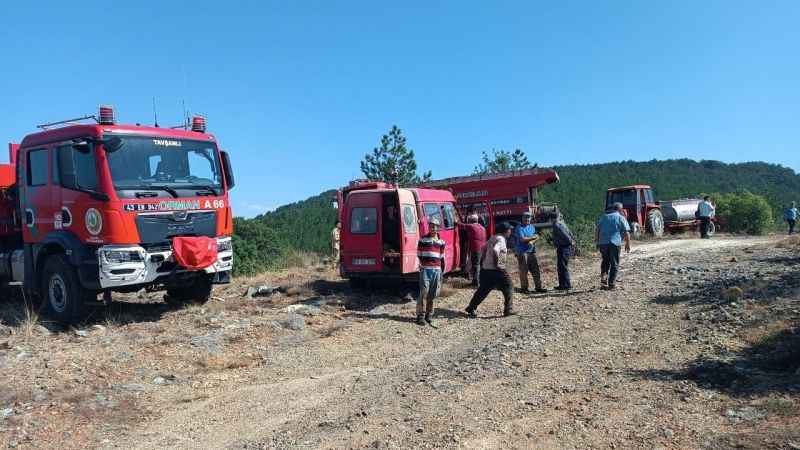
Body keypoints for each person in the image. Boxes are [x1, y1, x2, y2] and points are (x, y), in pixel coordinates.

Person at [465, 222, 515, 318]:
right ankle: (508, 309)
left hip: (486, 269)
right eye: (509, 229)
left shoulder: (492, 238)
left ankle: (471, 307)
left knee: (483, 290)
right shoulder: (501, 239)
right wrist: (499, 265)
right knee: (509, 285)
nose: (510, 231)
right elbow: (496, 250)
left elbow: (483, 249)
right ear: (505, 231)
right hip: (496, 270)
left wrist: (483, 262)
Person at [416, 218, 446, 326]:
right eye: (431, 226)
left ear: (438, 228)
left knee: (433, 293)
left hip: (436, 270)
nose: (433, 228)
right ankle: (420, 316)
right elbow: (419, 254)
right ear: (429, 227)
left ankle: (429, 314)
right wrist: (422, 265)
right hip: (425, 269)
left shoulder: (441, 242)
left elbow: (442, 257)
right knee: (424, 292)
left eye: (435, 226)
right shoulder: (423, 240)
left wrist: (442, 271)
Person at [595, 202, 631, 290]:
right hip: (614, 243)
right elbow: (626, 232)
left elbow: (597, 230)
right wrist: (628, 244)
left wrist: (597, 241)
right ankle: (611, 284)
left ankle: (604, 280)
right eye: (622, 209)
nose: (622, 210)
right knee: (614, 263)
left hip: (603, 243)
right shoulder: (620, 217)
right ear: (619, 209)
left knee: (605, 261)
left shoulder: (604, 217)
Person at [513, 211, 547, 293]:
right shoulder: (519, 227)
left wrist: (533, 240)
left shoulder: (532, 227)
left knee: (536, 270)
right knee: (523, 271)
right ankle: (524, 289)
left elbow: (537, 236)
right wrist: (533, 238)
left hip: (531, 251)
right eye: (525, 217)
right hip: (522, 252)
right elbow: (522, 239)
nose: (527, 219)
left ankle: (538, 287)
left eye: (529, 217)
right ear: (522, 218)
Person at [551, 215, 576, 290]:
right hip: (565, 247)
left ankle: (566, 285)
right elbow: (569, 233)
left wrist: (571, 241)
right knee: (562, 266)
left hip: (563, 247)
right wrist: (572, 241)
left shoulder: (556, 225)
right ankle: (563, 285)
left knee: (562, 266)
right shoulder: (562, 223)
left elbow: (565, 235)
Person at [463, 214, 487, 286]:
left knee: (476, 265)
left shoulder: (471, 226)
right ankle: (482, 280)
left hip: (476, 248)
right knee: (481, 265)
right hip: (483, 248)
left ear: (470, 221)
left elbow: (461, 225)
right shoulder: (482, 228)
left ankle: (476, 282)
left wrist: (455, 222)